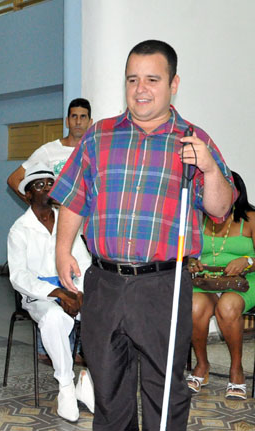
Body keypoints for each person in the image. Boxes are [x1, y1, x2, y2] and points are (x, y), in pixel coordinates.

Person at [50, 40, 236, 430]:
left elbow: (220, 209)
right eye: (133, 79)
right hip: (103, 282)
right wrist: (62, 248)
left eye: (153, 79)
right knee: (108, 386)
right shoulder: (99, 136)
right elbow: (73, 197)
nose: (140, 89)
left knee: (164, 389)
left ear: (174, 83)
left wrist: (211, 170)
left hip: (162, 285)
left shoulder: (192, 139)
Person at [7, 161, 94, 422]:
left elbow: (83, 261)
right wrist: (57, 292)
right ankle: (66, 387)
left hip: (71, 288)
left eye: (50, 184)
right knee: (55, 318)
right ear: (29, 194)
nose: (46, 189)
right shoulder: (19, 230)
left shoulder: (68, 223)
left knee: (102, 315)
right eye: (39, 185)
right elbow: (19, 275)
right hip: (39, 296)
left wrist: (78, 292)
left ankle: (87, 381)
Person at [187, 171, 255, 400]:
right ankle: (202, 364)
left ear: (235, 192)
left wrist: (247, 260)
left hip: (246, 280)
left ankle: (236, 369)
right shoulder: (198, 218)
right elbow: (186, 252)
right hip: (206, 279)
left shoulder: (251, 218)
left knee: (227, 307)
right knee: (194, 306)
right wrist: (191, 262)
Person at [7, 98, 92, 203]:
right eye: (74, 116)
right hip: (55, 217)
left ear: (90, 122)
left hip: (85, 217)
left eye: (83, 117)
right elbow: (13, 179)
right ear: (67, 121)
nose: (78, 122)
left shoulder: (94, 151)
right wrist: (36, 207)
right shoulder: (48, 150)